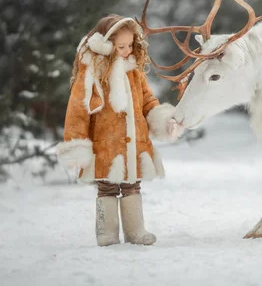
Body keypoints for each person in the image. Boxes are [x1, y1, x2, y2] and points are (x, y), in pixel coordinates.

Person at [56, 14, 183, 246]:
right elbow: (77, 110)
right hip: (106, 145)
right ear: (105, 44)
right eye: (120, 46)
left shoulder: (133, 70)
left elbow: (147, 100)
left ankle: (136, 232)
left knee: (133, 185)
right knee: (106, 188)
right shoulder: (91, 71)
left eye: (130, 45)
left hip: (135, 143)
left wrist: (162, 120)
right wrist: (75, 144)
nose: (126, 51)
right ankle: (106, 233)